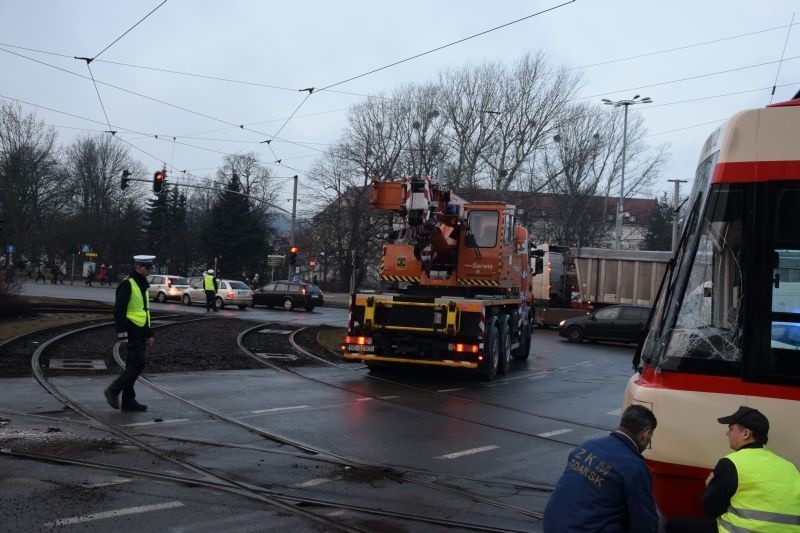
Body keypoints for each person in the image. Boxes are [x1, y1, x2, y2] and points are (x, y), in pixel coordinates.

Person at [668, 406, 800, 533]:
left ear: (746, 433)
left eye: (731, 429)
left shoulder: (731, 463)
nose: (727, 433)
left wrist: (709, 487)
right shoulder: (788, 466)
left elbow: (711, 509)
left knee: (674, 526)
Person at [543, 404, 660, 532]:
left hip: (551, 525)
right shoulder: (636, 467)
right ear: (645, 434)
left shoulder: (587, 446)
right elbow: (645, 523)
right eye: (651, 436)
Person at [104, 255, 155, 412]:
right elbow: (119, 311)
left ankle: (128, 400)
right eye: (146, 268)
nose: (149, 271)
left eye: (150, 268)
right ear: (137, 267)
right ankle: (113, 390)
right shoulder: (127, 284)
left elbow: (145, 311)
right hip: (131, 328)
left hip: (141, 329)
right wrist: (122, 335)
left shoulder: (142, 284)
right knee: (138, 362)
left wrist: (149, 333)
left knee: (132, 364)